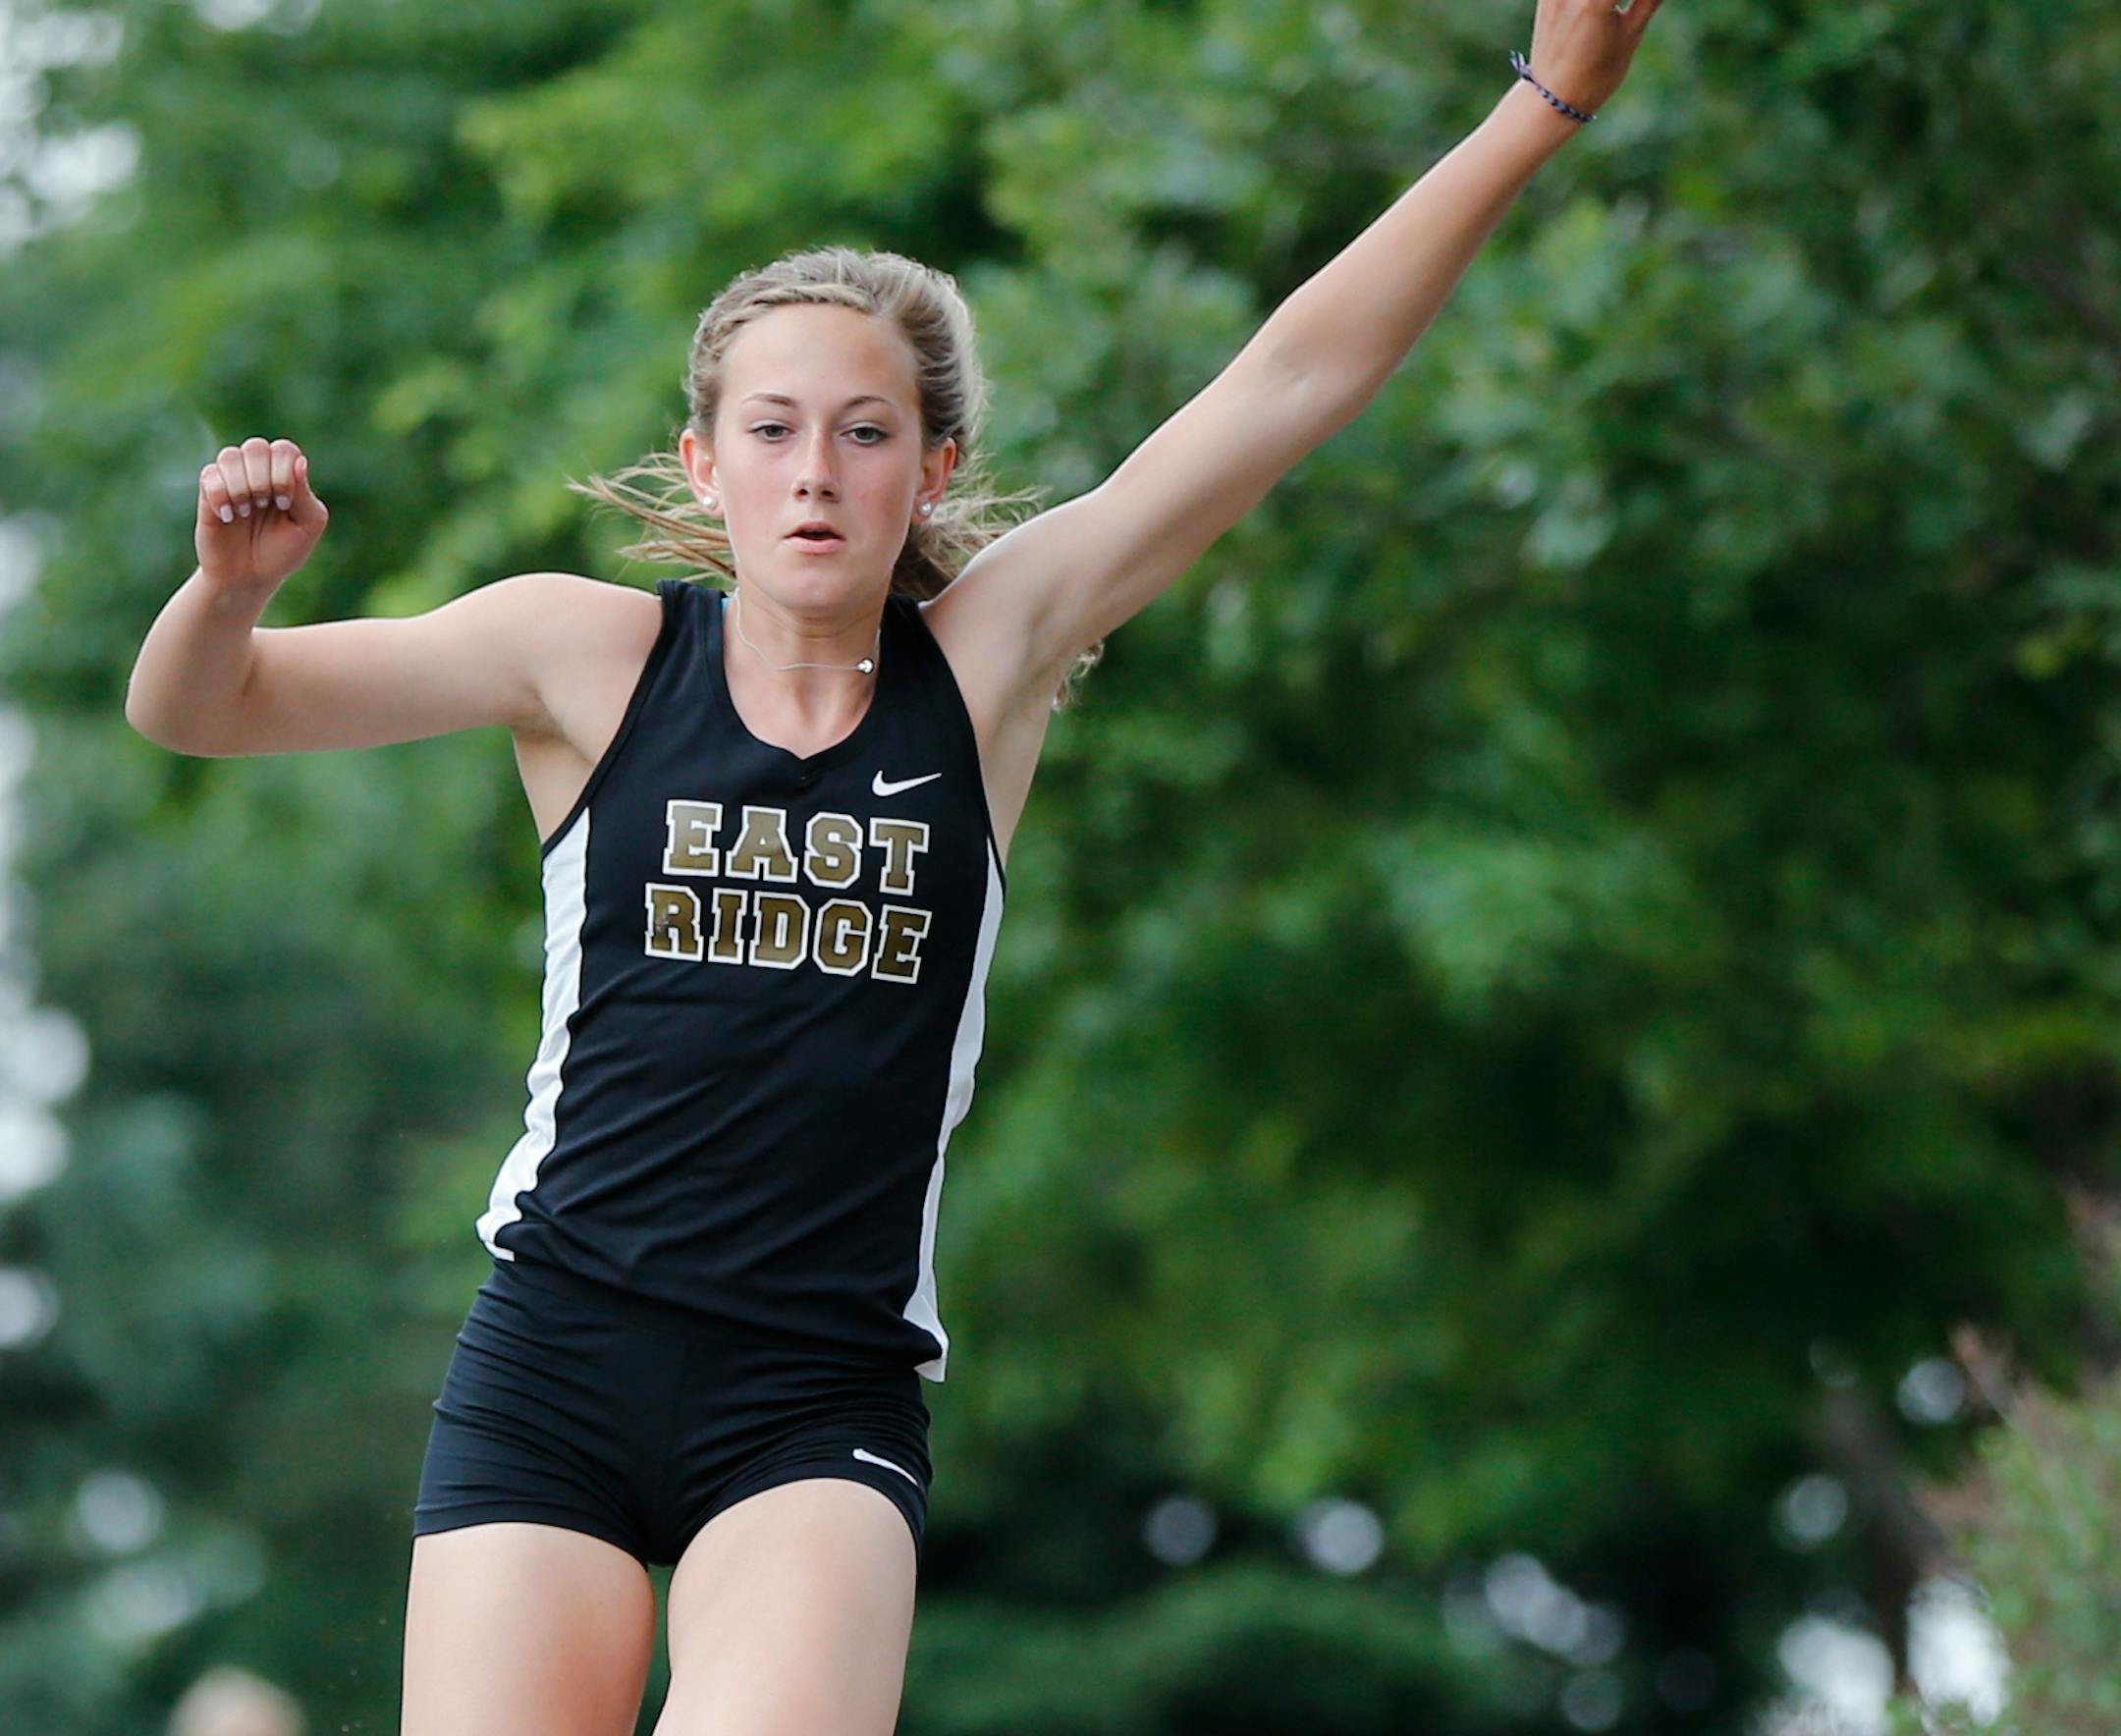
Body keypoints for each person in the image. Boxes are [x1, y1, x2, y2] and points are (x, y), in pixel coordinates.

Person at [121, 5, 1663, 1730]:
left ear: (930, 467)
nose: (816, 474)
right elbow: (203, 711)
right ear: (707, 461)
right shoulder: (584, 655)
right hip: (555, 1360)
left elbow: (1288, 379)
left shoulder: (988, 664)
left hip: (813, 1399)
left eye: (865, 433)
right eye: (772, 431)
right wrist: (230, 592)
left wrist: (1542, 107)